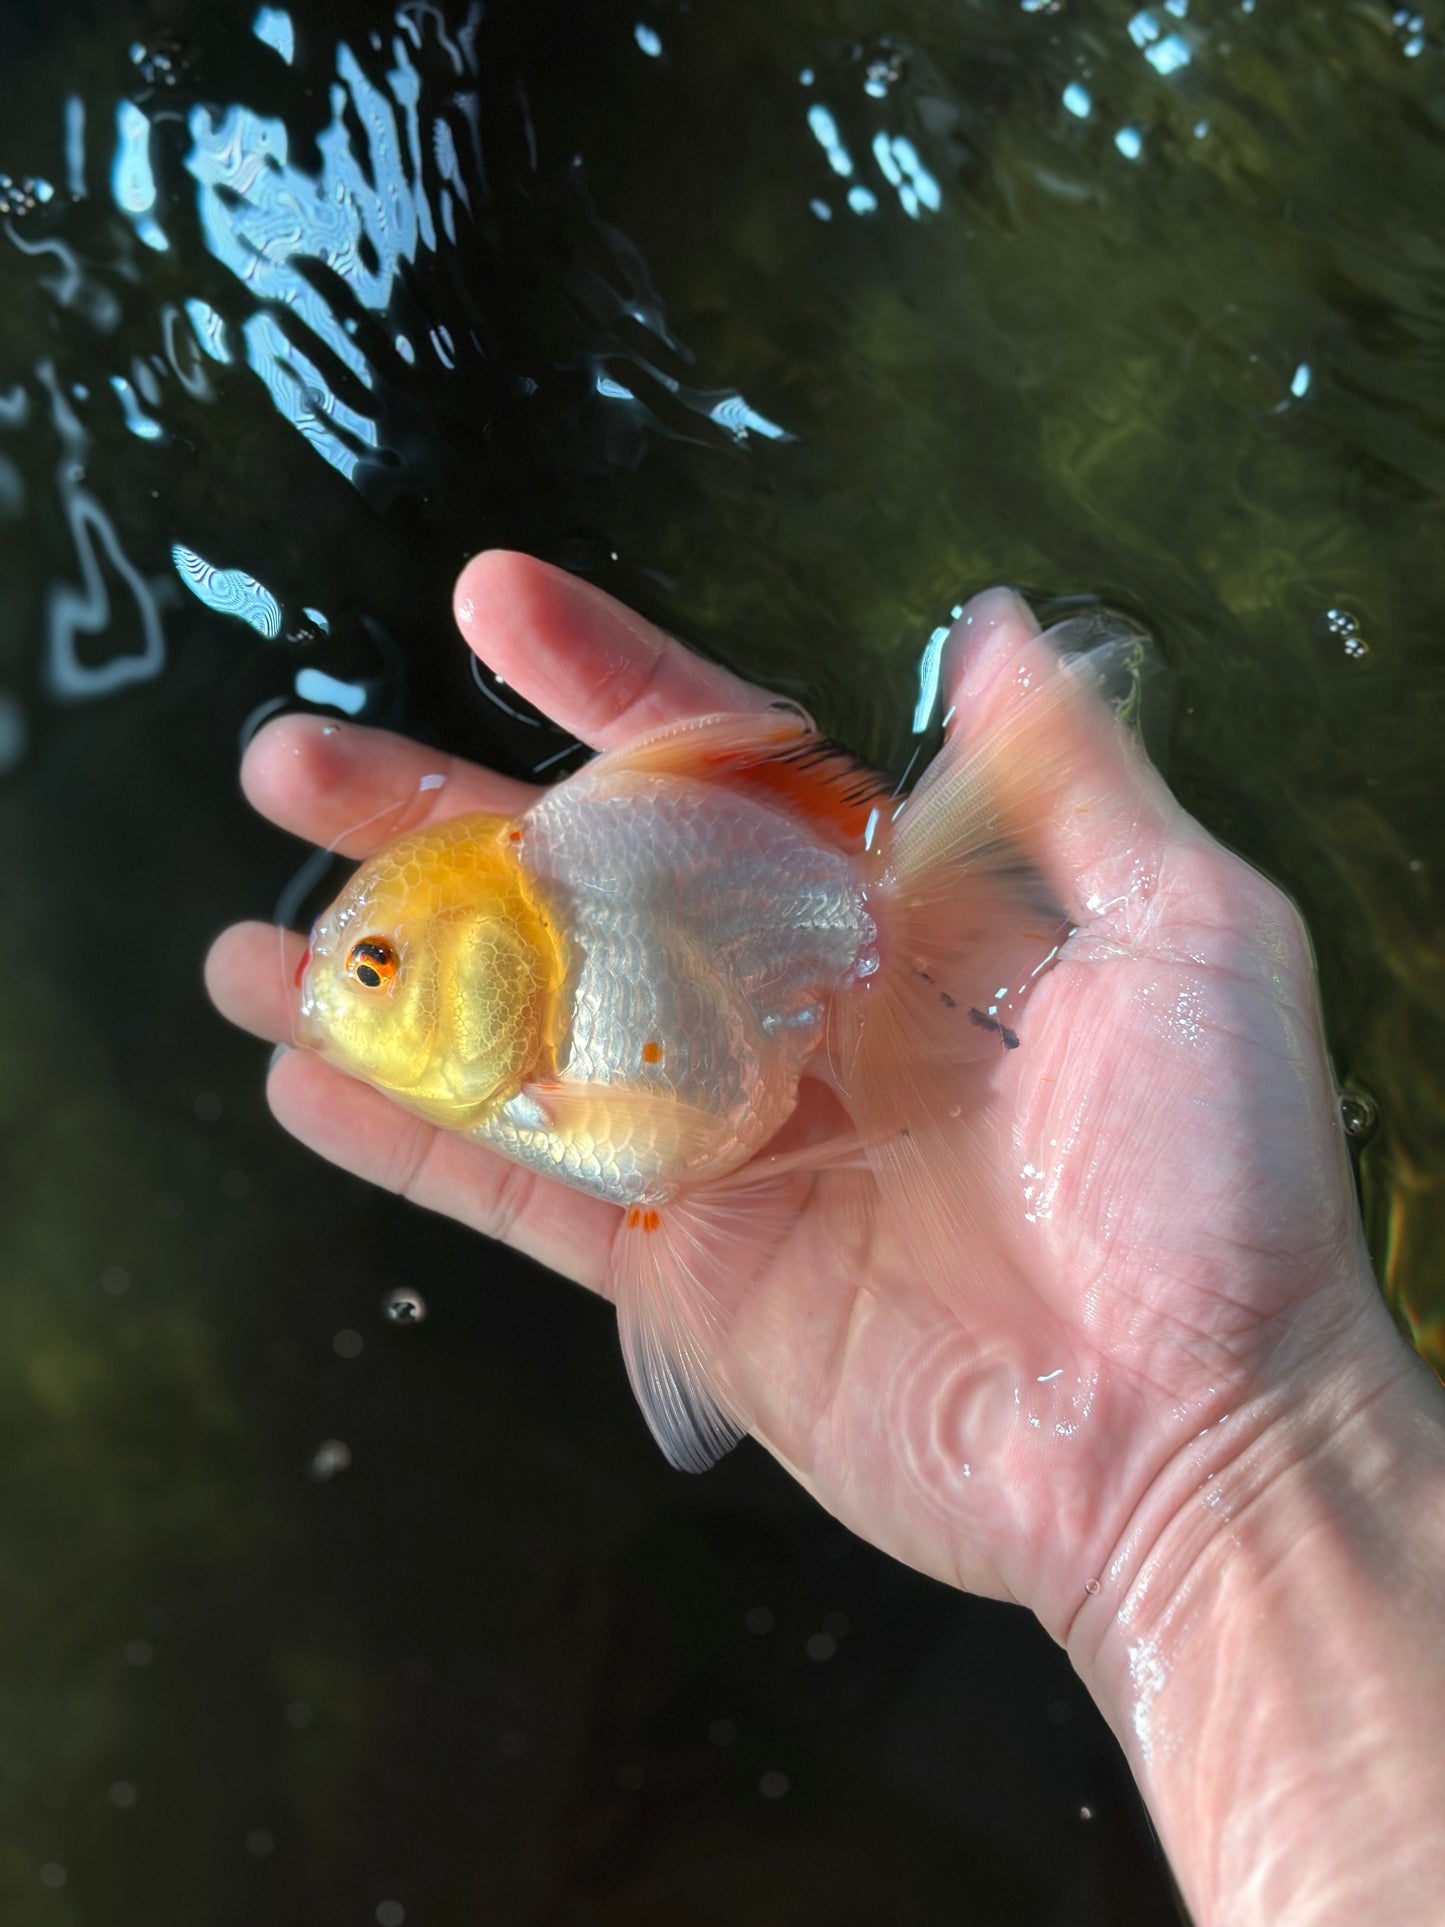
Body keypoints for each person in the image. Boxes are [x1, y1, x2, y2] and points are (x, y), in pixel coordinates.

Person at [208, 551, 1445, 1925]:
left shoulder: (566, 942)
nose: (345, 984)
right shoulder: (531, 1033)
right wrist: (1214, 1479)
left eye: (377, 966)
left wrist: (1213, 1450)